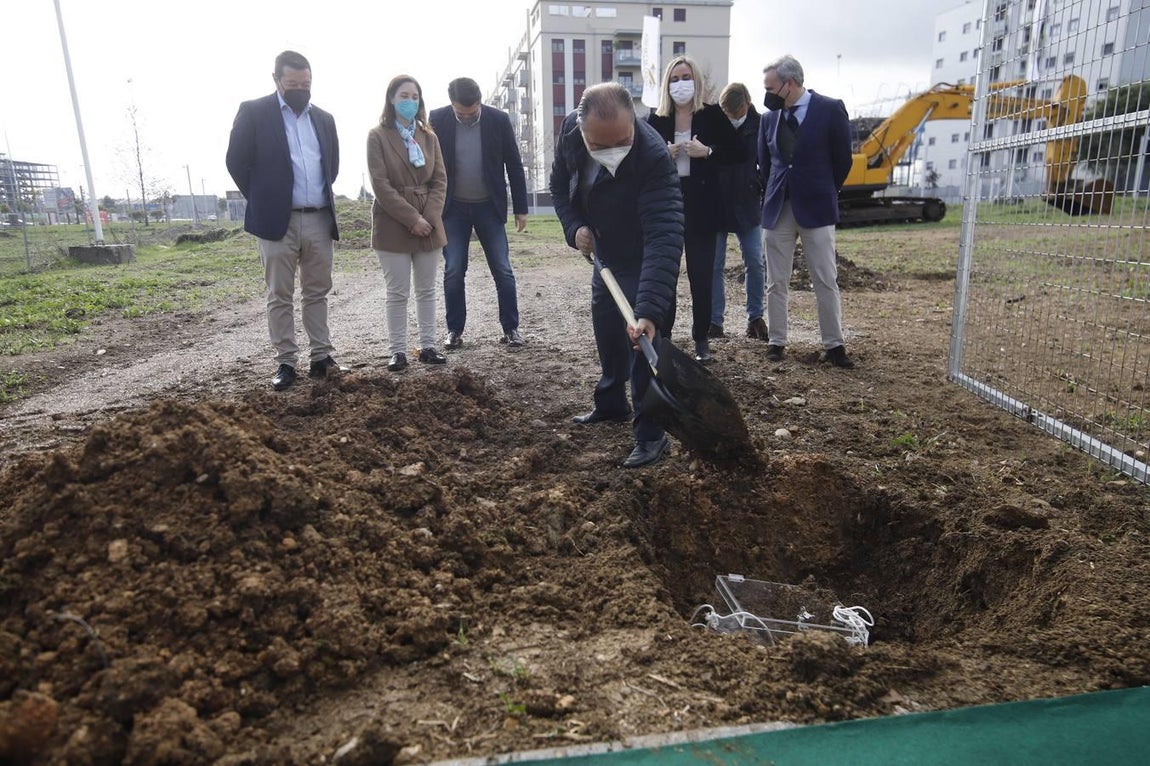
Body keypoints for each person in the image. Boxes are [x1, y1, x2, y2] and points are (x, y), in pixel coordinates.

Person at [550, 82, 684, 468]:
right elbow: (560, 187)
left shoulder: (654, 156)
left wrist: (650, 310)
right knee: (608, 330)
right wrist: (574, 227)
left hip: (644, 253)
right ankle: (610, 404)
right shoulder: (571, 135)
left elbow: (665, 233)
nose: (612, 152)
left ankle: (651, 435)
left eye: (621, 141)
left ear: (634, 123)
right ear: (582, 128)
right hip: (605, 251)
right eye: (600, 145)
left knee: (644, 343)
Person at [226, 50, 343, 391]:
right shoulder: (254, 112)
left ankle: (321, 356)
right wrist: (264, 198)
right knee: (280, 293)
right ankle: (286, 362)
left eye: (305, 83)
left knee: (317, 290)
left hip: (318, 219)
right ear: (276, 79)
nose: (300, 89)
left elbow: (331, 166)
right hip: (277, 221)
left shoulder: (324, 118)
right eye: (292, 83)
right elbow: (236, 161)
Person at [758, 55, 855, 368]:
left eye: (771, 87)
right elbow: (764, 162)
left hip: (816, 206)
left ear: (790, 84)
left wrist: (824, 189)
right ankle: (776, 341)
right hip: (778, 207)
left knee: (825, 278)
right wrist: (773, 191)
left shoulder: (829, 109)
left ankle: (834, 345)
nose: (767, 94)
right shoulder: (768, 118)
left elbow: (843, 160)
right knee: (775, 281)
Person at [645, 56, 739, 364]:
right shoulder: (655, 120)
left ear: (695, 80)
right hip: (668, 206)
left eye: (685, 77)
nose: (680, 84)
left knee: (701, 274)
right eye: (674, 79)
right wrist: (663, 155)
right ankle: (666, 337)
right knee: (666, 275)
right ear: (666, 85)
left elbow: (738, 151)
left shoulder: (711, 116)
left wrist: (708, 151)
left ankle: (701, 339)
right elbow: (641, 158)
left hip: (703, 207)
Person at [428, 77, 529, 350]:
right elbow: (429, 165)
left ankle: (511, 329)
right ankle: (454, 331)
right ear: (452, 104)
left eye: (473, 112)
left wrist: (521, 207)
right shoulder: (437, 119)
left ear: (480, 101)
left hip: (489, 206)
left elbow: (514, 164)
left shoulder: (498, 120)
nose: (468, 117)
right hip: (453, 209)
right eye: (462, 113)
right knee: (453, 269)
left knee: (503, 269)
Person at [366, 75, 449, 372]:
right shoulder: (377, 136)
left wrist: (428, 218)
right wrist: (411, 218)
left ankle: (428, 346)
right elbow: (381, 184)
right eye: (404, 95)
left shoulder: (430, 136)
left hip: (430, 220)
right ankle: (397, 351)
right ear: (391, 98)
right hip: (393, 222)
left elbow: (440, 180)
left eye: (415, 96)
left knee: (427, 289)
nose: (410, 101)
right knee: (397, 291)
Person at [711, 83, 767, 341]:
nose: (733, 117)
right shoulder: (714, 123)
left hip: (748, 203)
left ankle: (755, 318)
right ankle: (714, 321)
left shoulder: (760, 124)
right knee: (714, 265)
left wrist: (759, 184)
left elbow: (765, 161)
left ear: (747, 104)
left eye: (737, 112)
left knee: (755, 261)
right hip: (718, 203)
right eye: (728, 112)